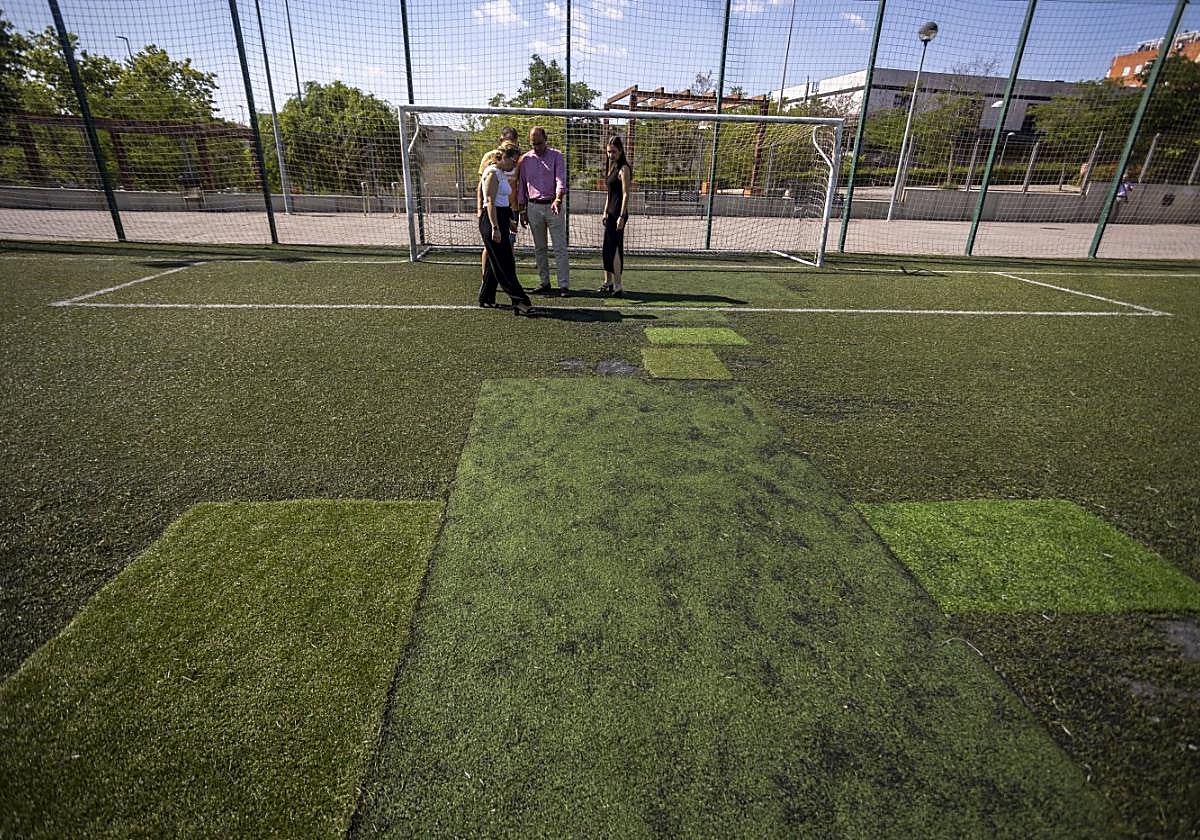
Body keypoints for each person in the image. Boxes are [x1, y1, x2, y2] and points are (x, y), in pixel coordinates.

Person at [478, 141, 533, 316]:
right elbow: (491, 203)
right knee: (504, 264)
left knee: (499, 260)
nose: (514, 165)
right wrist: (495, 227)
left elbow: (503, 202)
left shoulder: (501, 173)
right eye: (513, 161)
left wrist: (509, 220)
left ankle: (485, 296)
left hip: (501, 218)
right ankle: (520, 301)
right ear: (505, 157)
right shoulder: (492, 173)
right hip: (492, 220)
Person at [516, 126, 569, 296]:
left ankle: (563, 285)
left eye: (539, 143)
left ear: (545, 139)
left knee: (559, 247)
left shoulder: (557, 156)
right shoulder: (525, 160)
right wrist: (522, 209)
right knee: (540, 248)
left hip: (553, 205)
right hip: (533, 207)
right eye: (533, 144)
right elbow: (522, 186)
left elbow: (560, 179)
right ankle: (544, 282)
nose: (536, 147)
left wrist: (558, 198)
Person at [479, 127, 520, 284]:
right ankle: (494, 281)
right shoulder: (492, 169)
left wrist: (513, 215)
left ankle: (494, 286)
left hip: (507, 212)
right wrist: (481, 211)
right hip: (494, 213)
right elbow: (487, 196)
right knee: (494, 250)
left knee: (506, 250)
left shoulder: (507, 166)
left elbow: (517, 185)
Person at [598, 135, 632, 297]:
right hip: (610, 213)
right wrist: (605, 211)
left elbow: (625, 194)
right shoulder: (611, 167)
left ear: (620, 151)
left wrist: (622, 216)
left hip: (618, 213)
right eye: (608, 152)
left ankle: (618, 286)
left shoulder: (624, 168)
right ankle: (608, 282)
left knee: (616, 249)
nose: (611, 155)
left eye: (613, 152)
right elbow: (609, 194)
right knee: (607, 249)